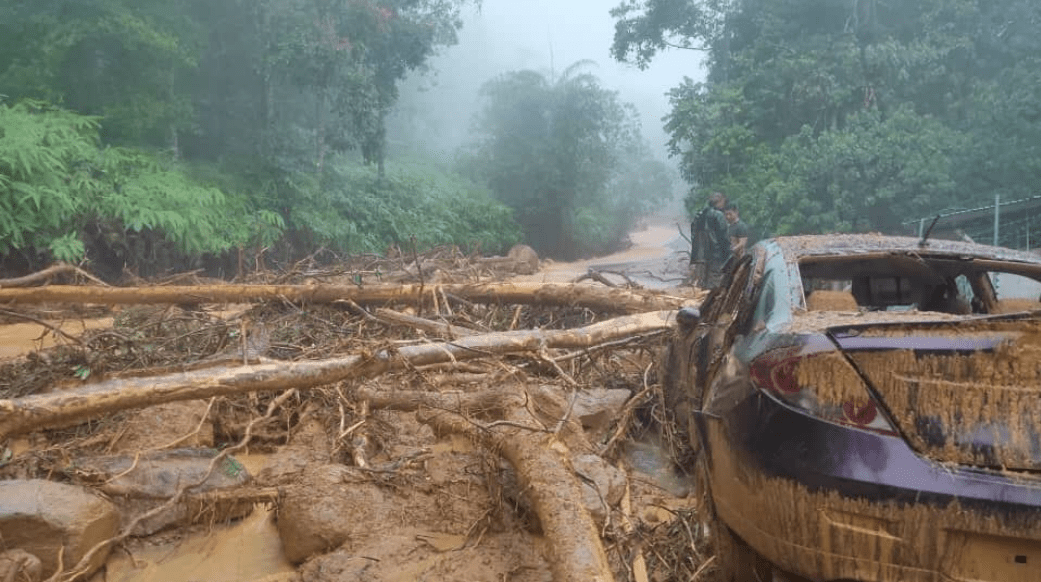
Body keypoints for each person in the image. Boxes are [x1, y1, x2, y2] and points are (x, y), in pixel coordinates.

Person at [689, 192, 730, 289]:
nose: (724, 204)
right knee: (714, 282)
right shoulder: (719, 215)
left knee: (700, 282)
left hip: (699, 256)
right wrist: (727, 252)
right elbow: (723, 236)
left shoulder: (699, 214)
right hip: (715, 254)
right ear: (719, 202)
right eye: (723, 201)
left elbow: (693, 234)